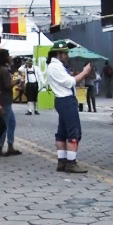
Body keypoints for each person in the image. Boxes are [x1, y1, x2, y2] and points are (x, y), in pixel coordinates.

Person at [47, 40, 93, 173]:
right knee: (73, 132)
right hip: (66, 100)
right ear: (59, 54)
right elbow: (69, 82)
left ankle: (62, 161)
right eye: (65, 53)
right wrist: (84, 73)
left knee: (62, 132)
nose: (67, 56)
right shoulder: (55, 66)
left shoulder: (56, 66)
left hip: (62, 100)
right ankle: (71, 163)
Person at [0, 49, 22, 156]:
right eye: (8, 56)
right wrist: (17, 81)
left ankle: (10, 146)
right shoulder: (4, 70)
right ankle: (0, 147)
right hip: (5, 100)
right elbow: (7, 85)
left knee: (11, 122)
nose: (10, 58)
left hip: (3, 99)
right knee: (5, 124)